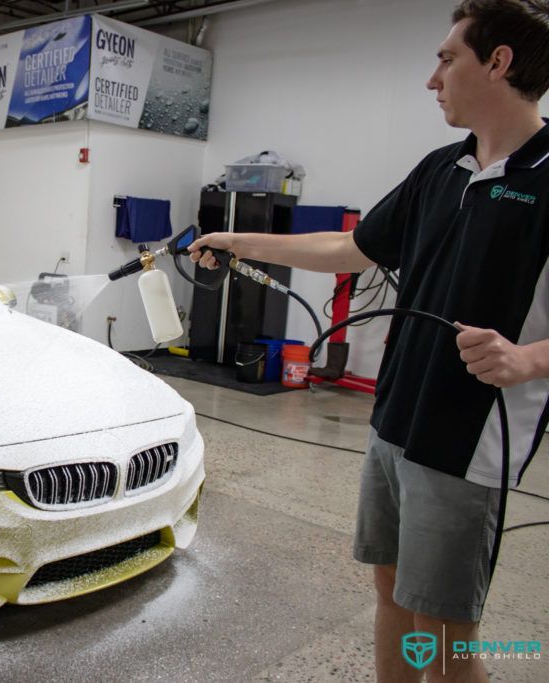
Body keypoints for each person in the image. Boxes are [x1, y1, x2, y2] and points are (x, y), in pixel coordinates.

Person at [188, 1, 549, 681]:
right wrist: (239, 239)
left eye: (448, 58)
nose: (432, 78)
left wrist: (529, 358)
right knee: (389, 593)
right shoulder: (442, 168)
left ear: (497, 62)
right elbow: (352, 247)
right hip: (393, 422)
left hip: (466, 443)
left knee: (446, 632)